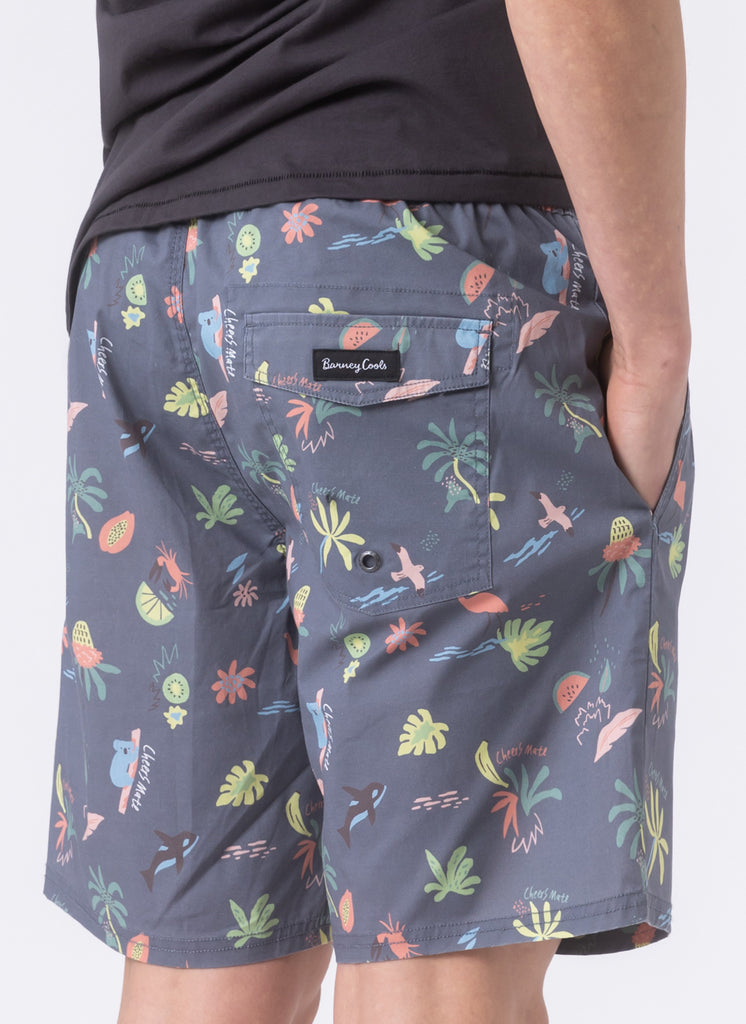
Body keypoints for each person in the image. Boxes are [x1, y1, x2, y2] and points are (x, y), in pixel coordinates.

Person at [45, 2, 693, 1022]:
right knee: (440, 959)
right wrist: (655, 344)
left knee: (200, 975)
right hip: (415, 273)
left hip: (147, 289)